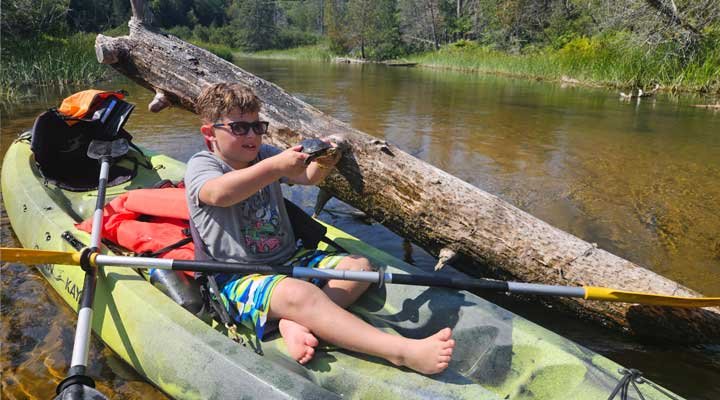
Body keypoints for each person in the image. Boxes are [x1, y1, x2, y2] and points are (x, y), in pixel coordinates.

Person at [185, 82, 454, 374]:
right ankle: (401, 352)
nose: (252, 135)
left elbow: (307, 177)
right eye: (239, 128)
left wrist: (327, 158)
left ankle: (295, 320)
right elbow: (219, 194)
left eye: (257, 126)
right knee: (300, 294)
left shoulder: (263, 156)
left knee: (360, 267)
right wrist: (276, 166)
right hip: (239, 276)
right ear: (210, 133)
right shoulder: (203, 165)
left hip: (290, 260)